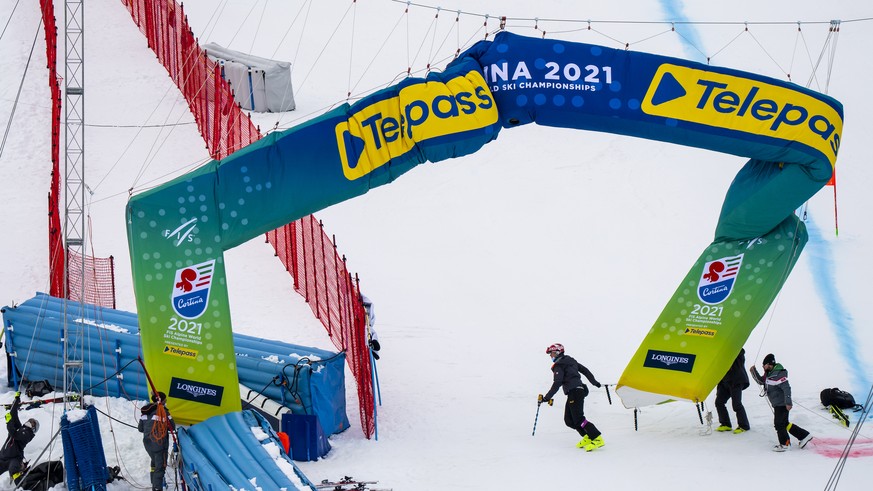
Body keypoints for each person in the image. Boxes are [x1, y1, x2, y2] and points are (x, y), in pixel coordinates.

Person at [539, 343, 605, 452]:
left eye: (552, 353)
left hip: (575, 392)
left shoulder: (559, 365)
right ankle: (587, 436)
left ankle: (597, 438)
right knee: (569, 420)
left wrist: (546, 398)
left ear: (558, 352)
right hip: (575, 391)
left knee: (579, 418)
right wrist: (594, 382)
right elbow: (585, 370)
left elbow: (557, 383)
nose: (551, 356)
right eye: (550, 354)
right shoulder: (571, 361)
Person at [750, 353, 813, 452]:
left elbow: (787, 388)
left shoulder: (779, 374)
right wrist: (753, 371)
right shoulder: (769, 374)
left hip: (782, 404)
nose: (763, 367)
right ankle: (804, 435)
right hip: (777, 404)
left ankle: (785, 444)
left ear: (770, 364)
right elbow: (761, 381)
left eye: (764, 365)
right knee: (784, 423)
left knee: (779, 424)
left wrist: (788, 402)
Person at [138, 391, 175, 491]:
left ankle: (154, 484)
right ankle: (157, 488)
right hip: (159, 444)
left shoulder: (146, 411)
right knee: (160, 467)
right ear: (162, 401)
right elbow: (172, 426)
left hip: (148, 443)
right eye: (165, 400)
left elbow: (140, 428)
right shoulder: (163, 411)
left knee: (154, 463)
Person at [0, 391, 39, 481]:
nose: (30, 422)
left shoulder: (28, 434)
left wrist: (8, 422)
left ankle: (21, 486)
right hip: (2, 457)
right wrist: (16, 400)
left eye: (33, 423)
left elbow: (14, 434)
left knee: (13, 471)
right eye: (30, 420)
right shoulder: (21, 428)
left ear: (34, 428)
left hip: (14, 458)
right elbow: (13, 415)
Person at [715, 348, 750, 434]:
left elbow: (740, 350)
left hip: (736, 381)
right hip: (724, 381)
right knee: (719, 402)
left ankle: (744, 426)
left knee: (736, 404)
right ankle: (725, 424)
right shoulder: (720, 354)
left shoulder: (737, 352)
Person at [361, 294, 381, 360]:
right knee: (369, 331)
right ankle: (374, 348)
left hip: (367, 321)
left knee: (369, 331)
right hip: (365, 322)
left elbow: (370, 304)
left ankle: (374, 346)